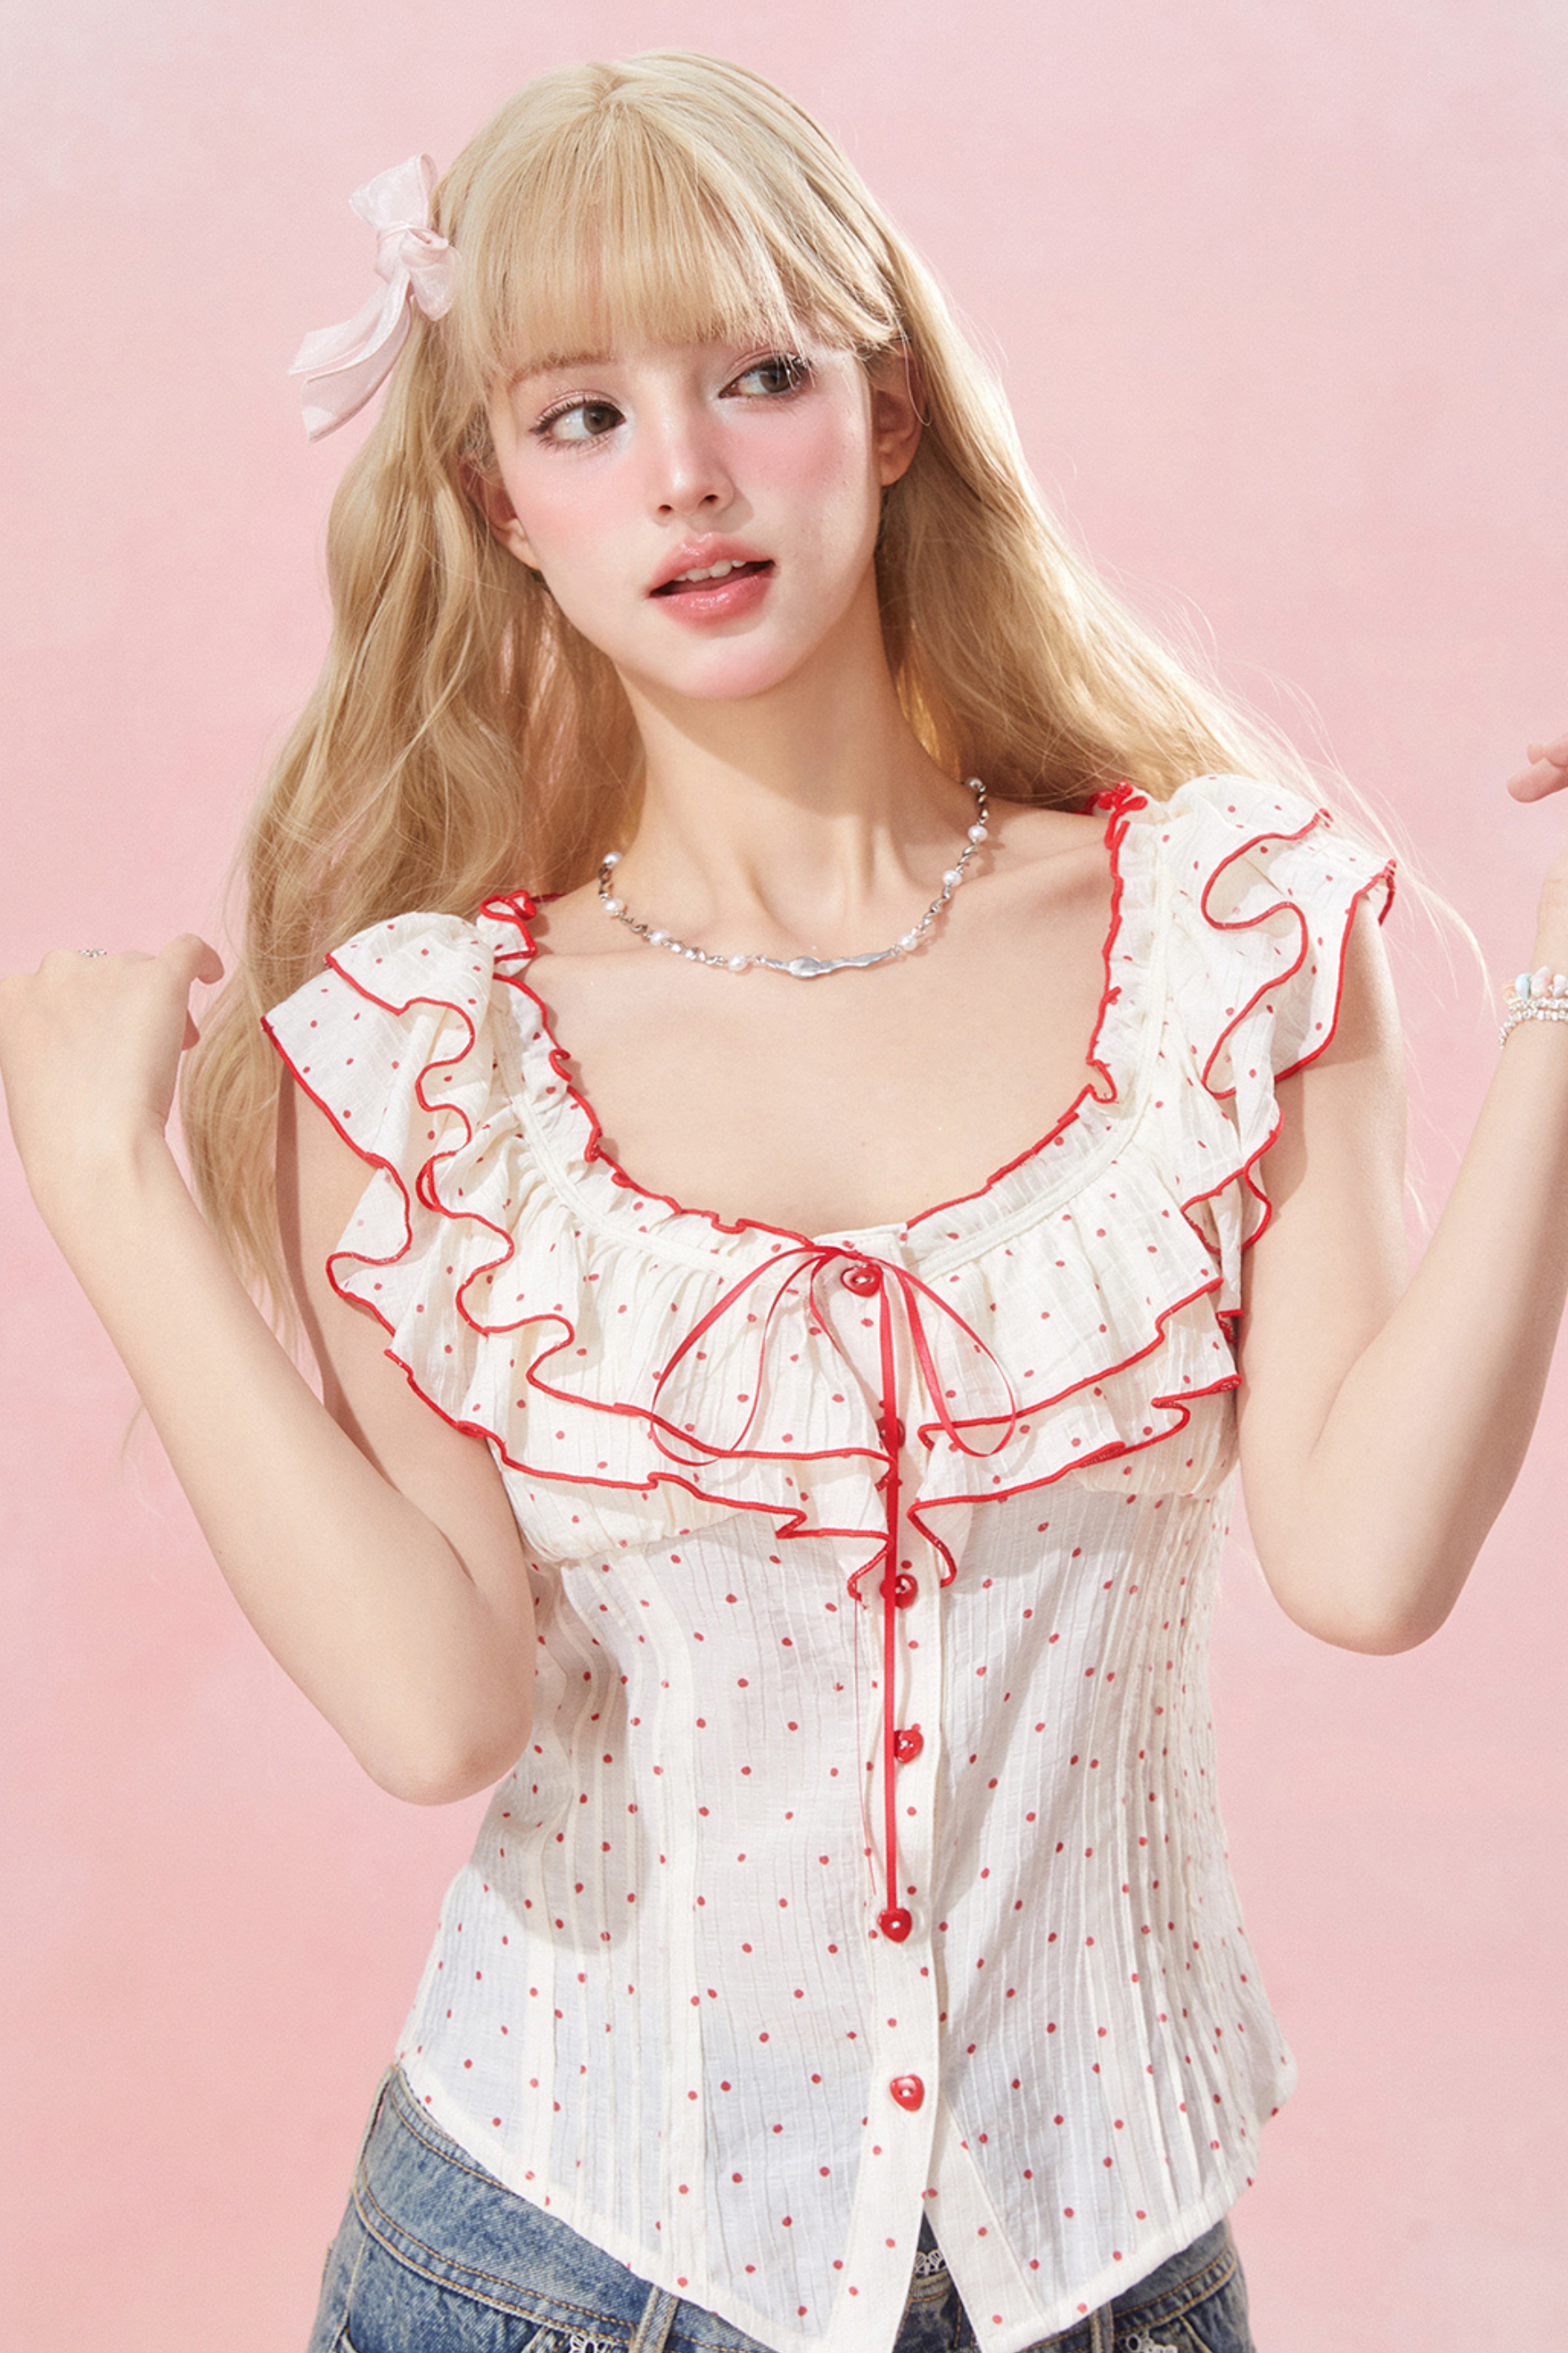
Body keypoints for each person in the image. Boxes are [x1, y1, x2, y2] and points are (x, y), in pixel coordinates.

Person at [3, 48, 1566, 2353]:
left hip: (1106, 2280)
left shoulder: (1228, 939)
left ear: (892, 410)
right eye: (585, 417)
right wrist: (104, 1187)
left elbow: (1367, 1561)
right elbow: (437, 1711)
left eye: (758, 376)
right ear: (499, 502)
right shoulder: (433, 1065)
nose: (690, 475)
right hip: (550, 2269)